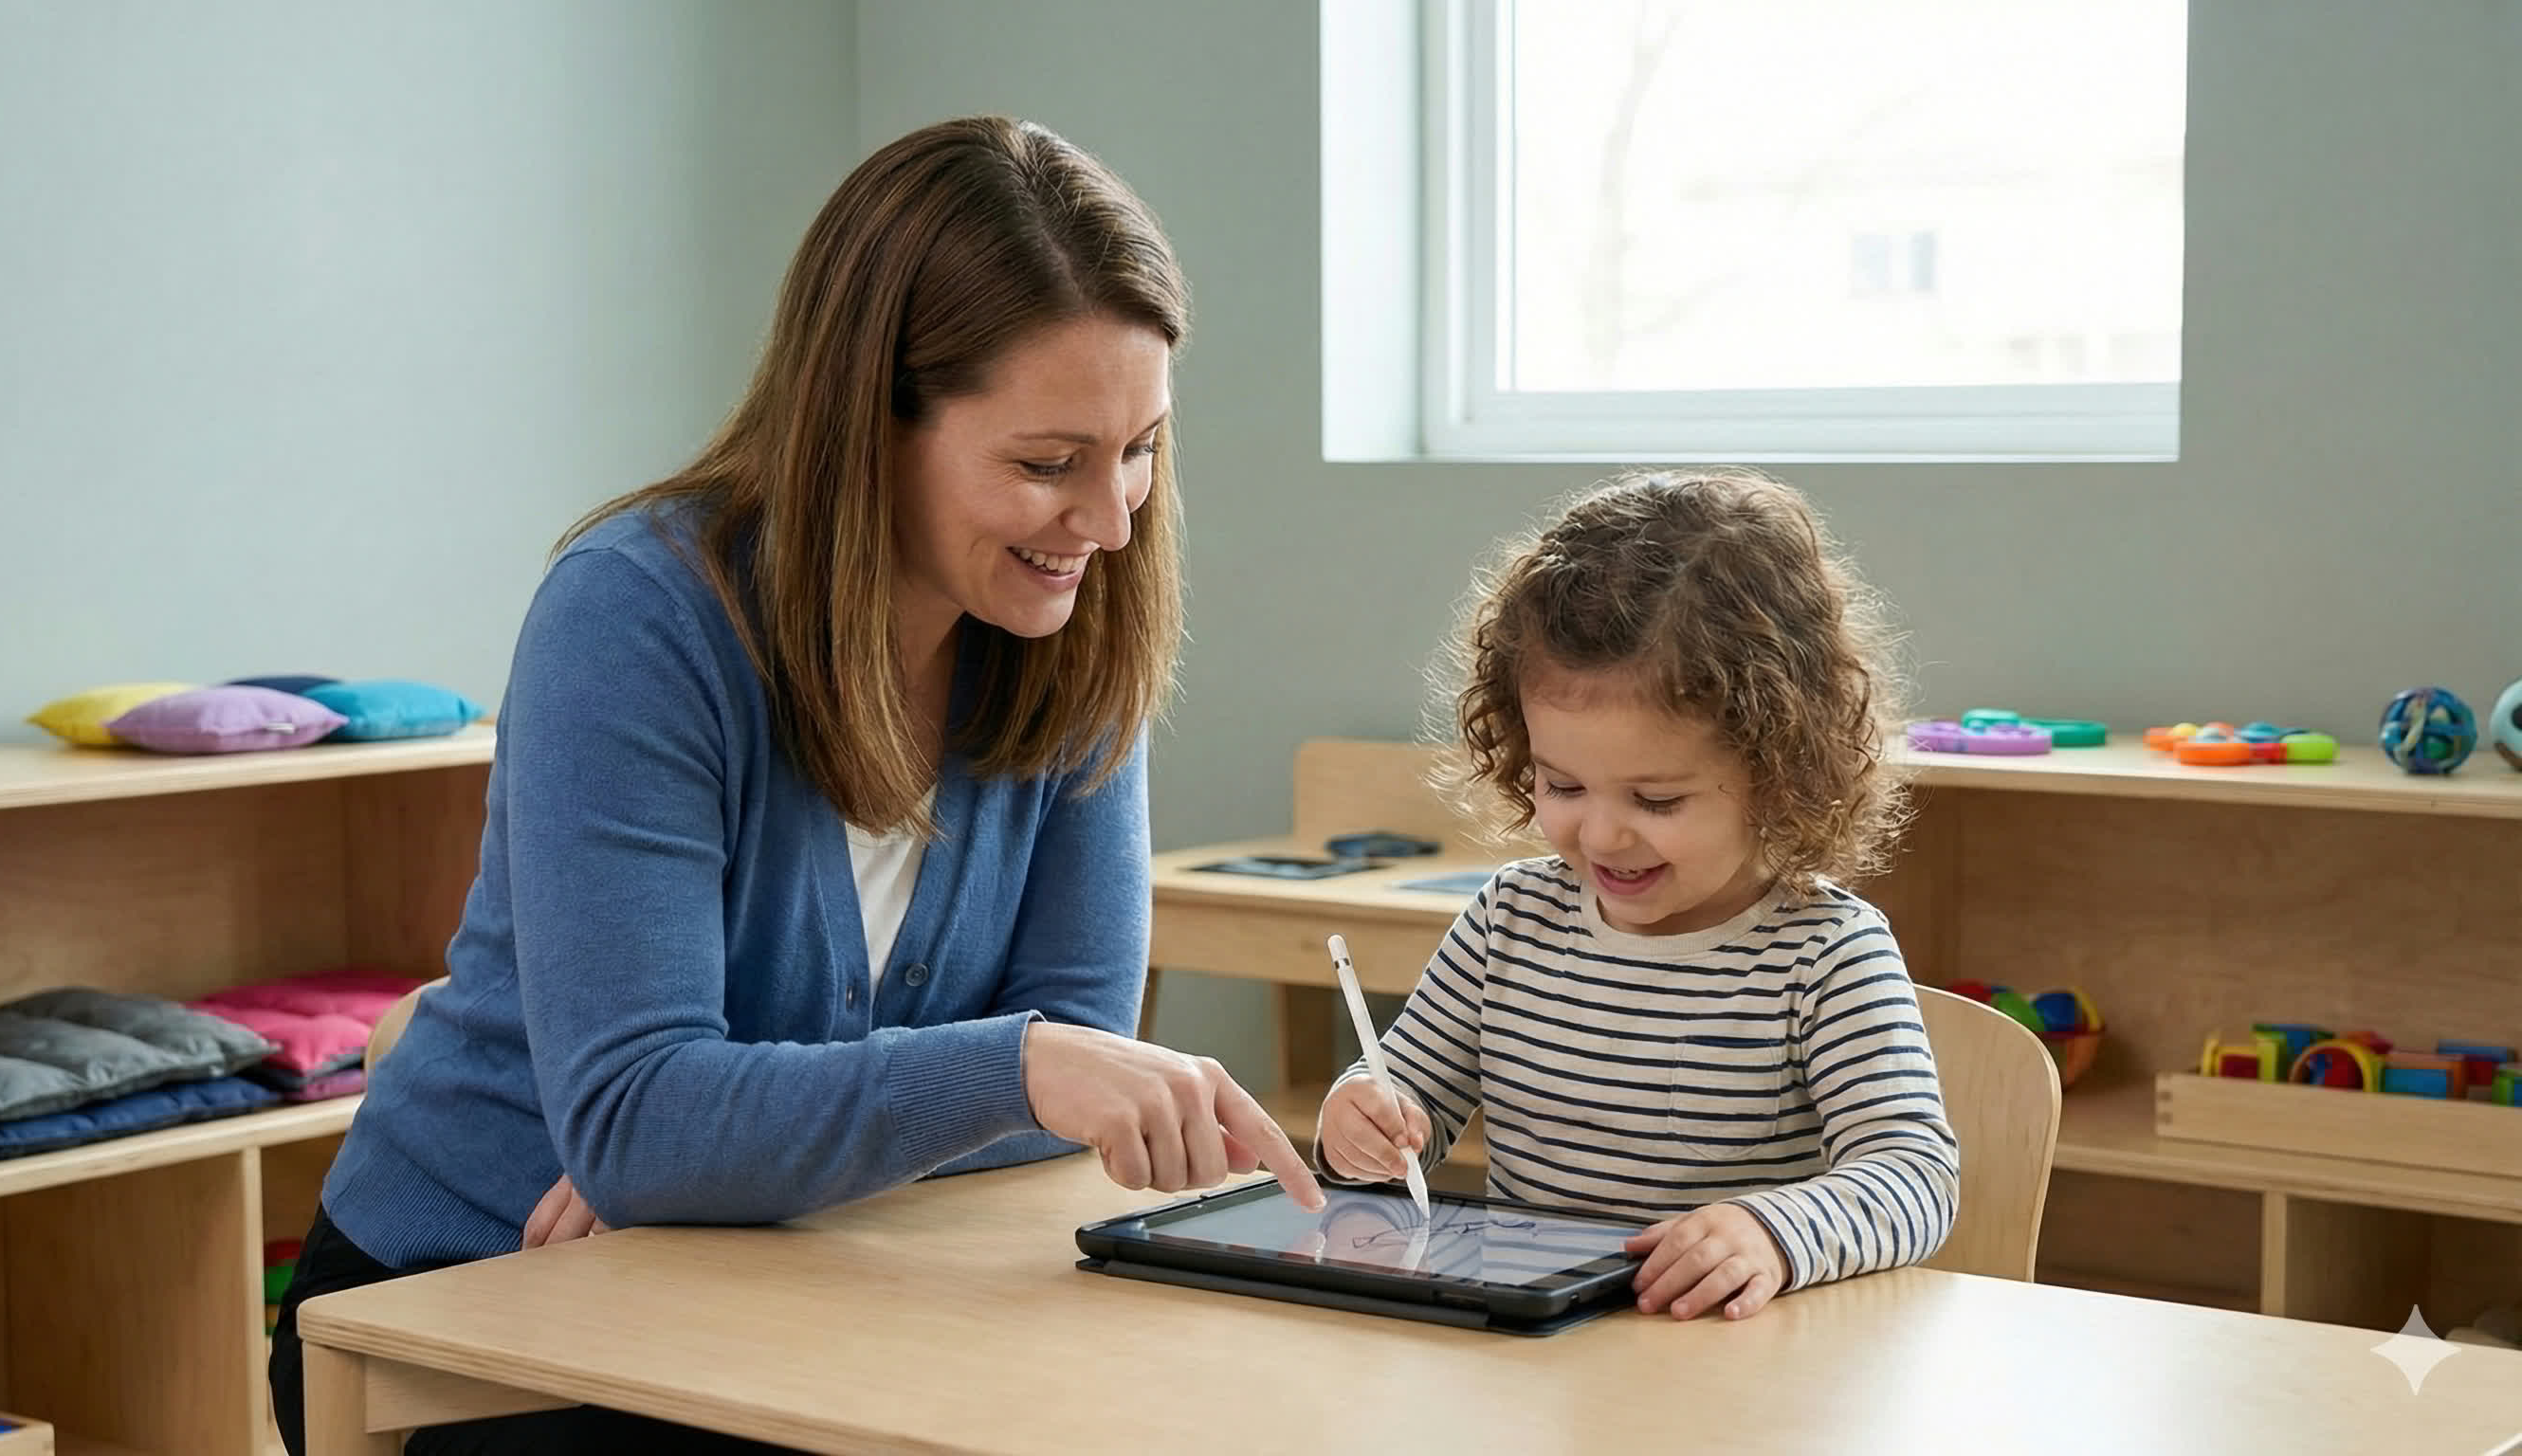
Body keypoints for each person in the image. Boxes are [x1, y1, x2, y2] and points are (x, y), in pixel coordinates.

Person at [268, 115, 1322, 1454]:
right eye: (1047, 464)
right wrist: (690, 1144)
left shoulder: (1074, 629)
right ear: (866, 423)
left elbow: (1073, 1085)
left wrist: (724, 1161)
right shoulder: (636, 621)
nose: (1111, 522)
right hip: (477, 1298)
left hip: (779, 1274)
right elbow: (681, 1119)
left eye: (1141, 450)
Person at [1314, 467, 1961, 1323]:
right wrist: (1364, 1120)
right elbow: (1413, 1102)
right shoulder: (1510, 922)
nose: (1604, 836)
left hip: (1724, 1365)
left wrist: (1772, 1233)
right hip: (1536, 1347)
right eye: (1563, 785)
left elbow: (1914, 1174)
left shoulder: (1824, 953)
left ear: (1778, 772)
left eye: (1657, 801)